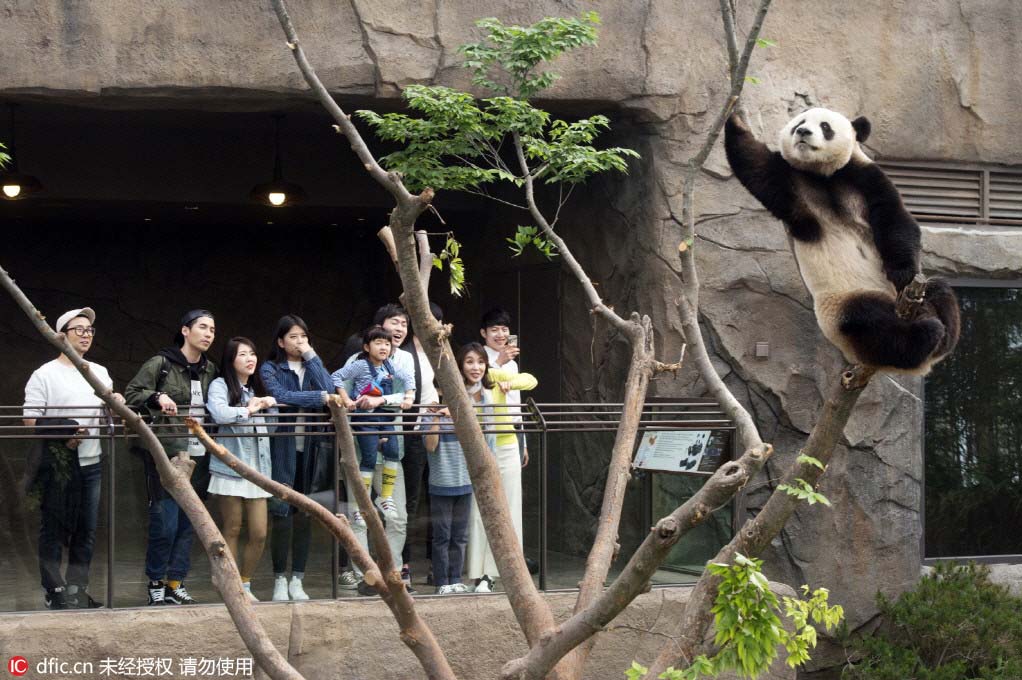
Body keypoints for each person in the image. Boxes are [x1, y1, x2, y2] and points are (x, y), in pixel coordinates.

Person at [22, 307, 124, 609]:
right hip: (58, 463)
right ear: (61, 335)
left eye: (90, 330)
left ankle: (78, 588)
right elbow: (30, 419)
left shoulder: (99, 372)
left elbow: (108, 410)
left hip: (92, 461)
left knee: (86, 529)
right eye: (78, 329)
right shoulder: (44, 374)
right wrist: (65, 430)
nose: (86, 335)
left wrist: (115, 401)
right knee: (52, 529)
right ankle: (54, 590)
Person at [125, 309, 218, 606]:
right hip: (166, 453)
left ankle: (176, 582)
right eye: (202, 327)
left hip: (199, 454)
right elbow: (132, 393)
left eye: (212, 330)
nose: (208, 334)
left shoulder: (210, 370)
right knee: (164, 521)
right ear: (185, 331)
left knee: (188, 522)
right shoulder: (161, 363)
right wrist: (156, 397)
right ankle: (156, 581)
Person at [334, 305, 417, 595]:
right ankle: (365, 575)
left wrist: (384, 401)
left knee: (397, 517)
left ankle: (391, 573)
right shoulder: (356, 363)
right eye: (392, 325)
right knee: (359, 514)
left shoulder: (402, 364)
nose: (397, 331)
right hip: (359, 448)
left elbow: (408, 397)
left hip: (392, 448)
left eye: (403, 324)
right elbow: (341, 398)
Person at [259, 314, 334, 602]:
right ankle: (279, 579)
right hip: (283, 448)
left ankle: (297, 580)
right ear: (280, 341)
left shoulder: (311, 364)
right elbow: (279, 396)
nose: (299, 341)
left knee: (305, 513)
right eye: (293, 337)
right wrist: (319, 399)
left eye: (303, 336)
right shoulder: (270, 368)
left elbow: (329, 386)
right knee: (282, 513)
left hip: (312, 449)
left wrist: (312, 357)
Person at [421, 343, 497, 594]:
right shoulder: (432, 411)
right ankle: (442, 582)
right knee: (442, 536)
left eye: (481, 362)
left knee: (460, 535)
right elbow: (430, 446)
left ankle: (456, 579)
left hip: (466, 481)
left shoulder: (478, 402)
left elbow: (486, 437)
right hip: (442, 482)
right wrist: (436, 417)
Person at [206, 337, 277, 603]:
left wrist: (268, 407)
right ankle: (231, 585)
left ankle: (246, 583)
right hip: (229, 467)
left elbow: (273, 426)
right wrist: (250, 409)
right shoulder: (220, 384)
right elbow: (220, 414)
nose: (250, 358)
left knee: (259, 532)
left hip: (259, 468)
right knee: (232, 527)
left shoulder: (257, 386)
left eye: (252, 353)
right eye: (243, 354)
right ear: (230, 360)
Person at [463, 341, 537, 593]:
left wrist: (509, 383)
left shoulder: (492, 376)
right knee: (478, 512)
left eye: (481, 362)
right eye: (470, 362)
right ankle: (479, 573)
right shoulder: (458, 386)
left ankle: (501, 572)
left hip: (505, 448)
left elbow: (530, 380)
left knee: (509, 508)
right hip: (476, 452)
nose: (476, 368)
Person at [333, 325, 414, 521]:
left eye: (387, 344)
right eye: (378, 343)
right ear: (367, 347)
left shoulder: (390, 366)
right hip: (366, 419)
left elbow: (408, 377)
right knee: (368, 459)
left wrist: (410, 395)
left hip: (384, 417)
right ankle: (363, 505)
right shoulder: (360, 365)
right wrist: (346, 400)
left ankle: (385, 497)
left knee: (393, 452)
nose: (384, 347)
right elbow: (336, 376)